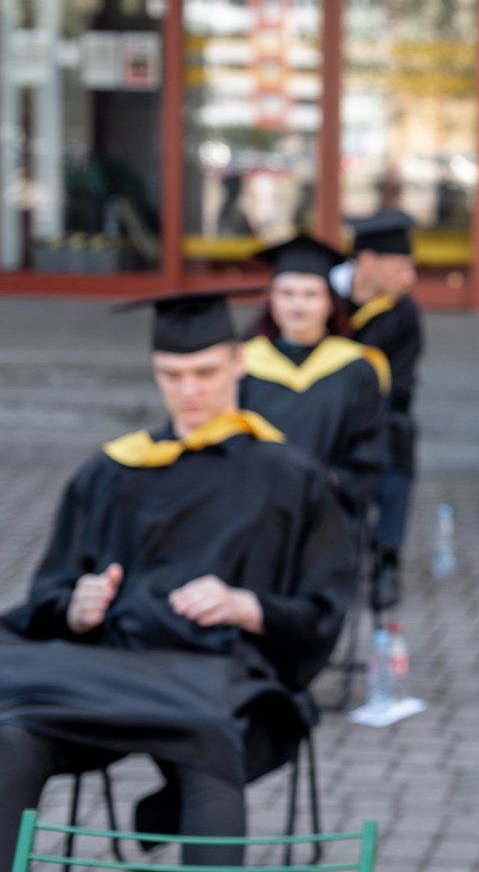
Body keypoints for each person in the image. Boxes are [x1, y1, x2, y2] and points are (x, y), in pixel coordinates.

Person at [0, 290, 357, 866]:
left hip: (223, 679)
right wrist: (76, 607)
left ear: (238, 362)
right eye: (171, 375)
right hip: (103, 677)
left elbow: (323, 610)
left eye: (205, 373)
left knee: (211, 742)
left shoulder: (292, 478)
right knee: (12, 736)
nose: (189, 391)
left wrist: (247, 606)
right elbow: (50, 590)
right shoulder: (112, 471)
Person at [240, 234, 389, 526]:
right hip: (255, 514)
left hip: (329, 517)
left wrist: (328, 483)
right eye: (287, 293)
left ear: (329, 302)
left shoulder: (357, 368)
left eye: (310, 294)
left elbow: (370, 450)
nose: (298, 305)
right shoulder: (243, 363)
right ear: (271, 300)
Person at [332, 210, 424, 611]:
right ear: (368, 262)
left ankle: (387, 555)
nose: (411, 278)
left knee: (399, 438)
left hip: (379, 416)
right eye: (402, 266)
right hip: (320, 414)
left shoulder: (403, 313)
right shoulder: (321, 298)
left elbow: (401, 386)